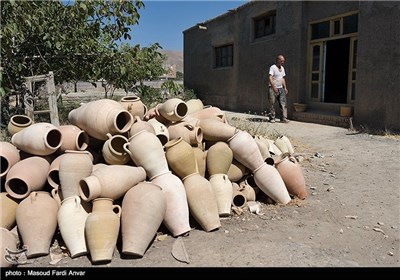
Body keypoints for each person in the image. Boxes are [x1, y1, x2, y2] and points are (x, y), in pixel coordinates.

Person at [268, 54, 289, 123]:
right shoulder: (273, 67)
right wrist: (273, 87)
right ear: (278, 60)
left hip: (281, 88)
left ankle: (283, 118)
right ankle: (272, 118)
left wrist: (285, 87)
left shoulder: (282, 68)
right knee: (272, 103)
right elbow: (270, 77)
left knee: (283, 103)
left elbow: (282, 78)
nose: (283, 62)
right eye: (282, 61)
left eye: (283, 61)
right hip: (273, 88)